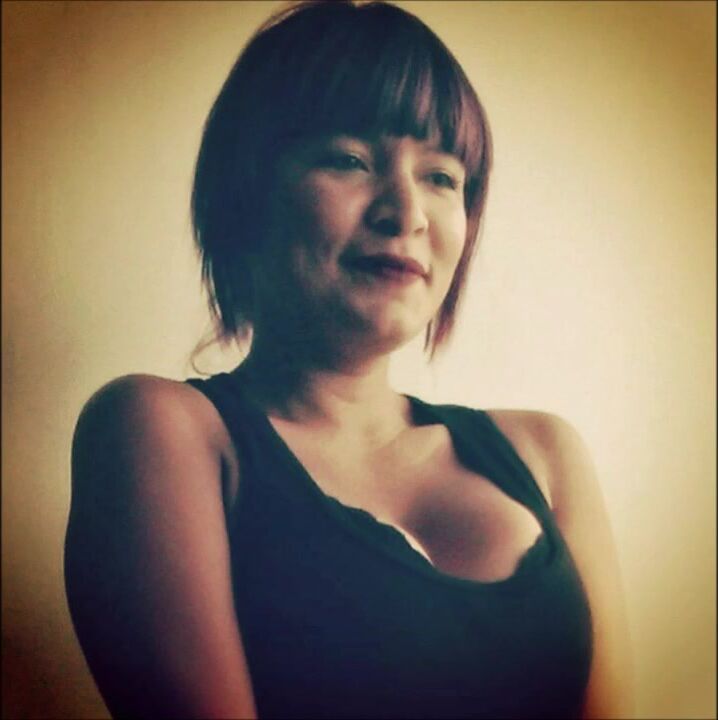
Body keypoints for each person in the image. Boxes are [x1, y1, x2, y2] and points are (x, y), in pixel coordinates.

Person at [64, 2, 633, 718]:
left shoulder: (545, 452)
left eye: (442, 177)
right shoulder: (162, 431)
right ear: (246, 194)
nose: (407, 213)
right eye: (349, 160)